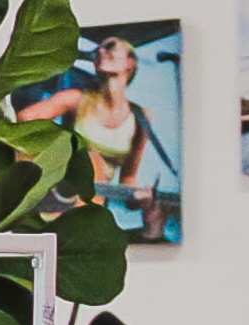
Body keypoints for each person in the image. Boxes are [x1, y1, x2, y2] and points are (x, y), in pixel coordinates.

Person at [11, 34, 172, 236]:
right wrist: (50, 164)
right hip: (60, 196)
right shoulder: (77, 99)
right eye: (97, 50)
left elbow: (128, 177)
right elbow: (26, 118)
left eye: (110, 46)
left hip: (93, 204)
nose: (100, 51)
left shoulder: (141, 117)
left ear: (130, 62)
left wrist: (139, 200)